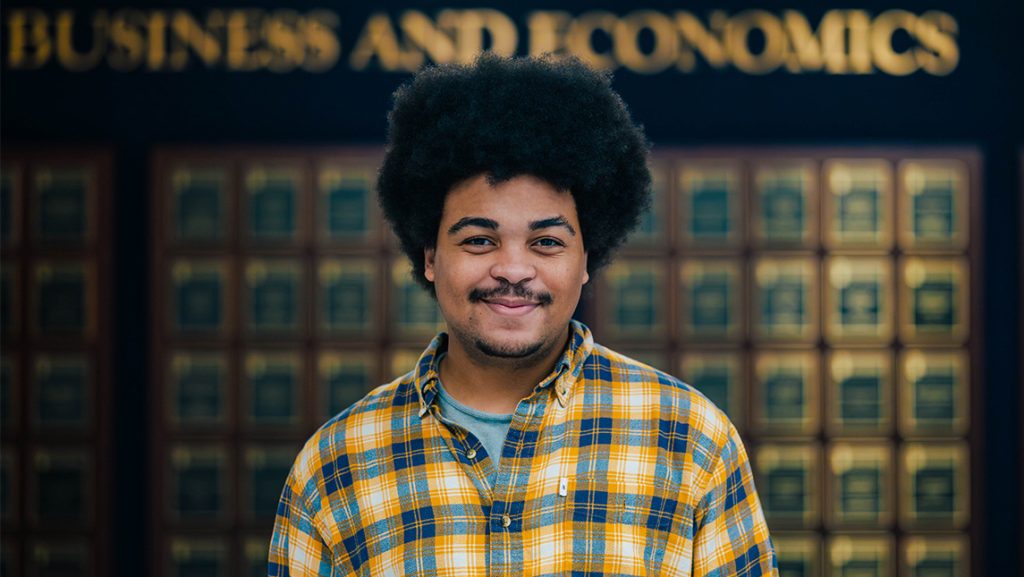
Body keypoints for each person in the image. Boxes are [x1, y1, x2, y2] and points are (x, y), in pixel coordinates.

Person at [269, 54, 777, 576]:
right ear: (430, 257)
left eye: (547, 241)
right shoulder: (335, 465)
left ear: (587, 260)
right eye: (479, 239)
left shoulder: (691, 439)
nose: (513, 268)